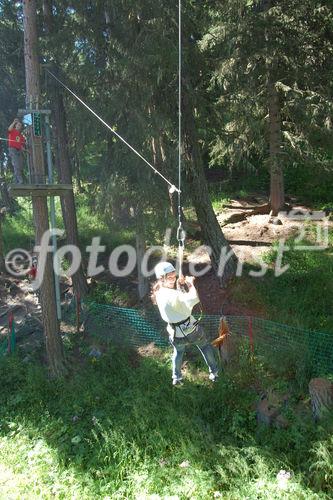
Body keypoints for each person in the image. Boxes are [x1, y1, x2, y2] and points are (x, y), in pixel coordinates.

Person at [152, 261, 219, 386]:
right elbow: (192, 299)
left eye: (173, 275)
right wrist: (190, 284)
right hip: (191, 330)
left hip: (175, 333)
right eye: (169, 277)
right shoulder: (172, 294)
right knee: (204, 346)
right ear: (162, 278)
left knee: (178, 352)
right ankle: (214, 372)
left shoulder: (159, 293)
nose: (173, 278)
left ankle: (176, 377)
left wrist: (179, 286)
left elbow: (176, 302)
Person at [7, 118, 25, 184]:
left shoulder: (21, 136)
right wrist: (14, 122)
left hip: (19, 150)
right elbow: (9, 129)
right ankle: (20, 180)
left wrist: (25, 150)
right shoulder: (13, 131)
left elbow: (22, 145)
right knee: (16, 165)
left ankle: (15, 180)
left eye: (20, 125)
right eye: (18, 125)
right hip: (12, 149)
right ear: (15, 126)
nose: (19, 126)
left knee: (20, 166)